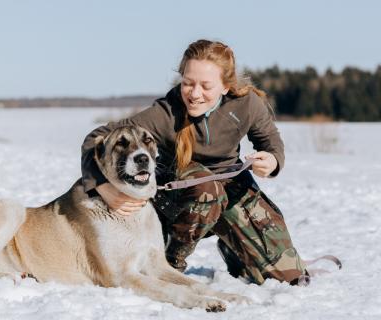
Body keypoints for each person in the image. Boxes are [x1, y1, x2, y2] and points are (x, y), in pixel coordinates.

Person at [81, 39, 307, 285]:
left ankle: (234, 248)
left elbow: (271, 142)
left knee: (290, 277)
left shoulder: (247, 104)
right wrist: (101, 186)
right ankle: (171, 262)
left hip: (231, 186)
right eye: (188, 83)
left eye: (205, 86)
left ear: (225, 86)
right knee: (206, 190)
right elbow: (96, 139)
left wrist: (272, 161)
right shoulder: (166, 112)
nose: (195, 93)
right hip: (180, 195)